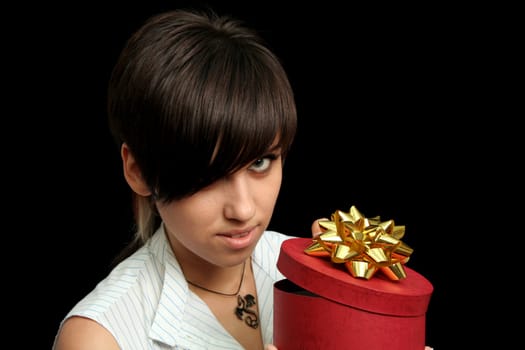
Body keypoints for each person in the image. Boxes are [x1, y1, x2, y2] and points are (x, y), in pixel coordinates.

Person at [53, 8, 434, 350]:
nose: (244, 209)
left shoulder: (312, 271)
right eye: (208, 175)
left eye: (260, 162)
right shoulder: (100, 338)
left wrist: (361, 306)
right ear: (138, 171)